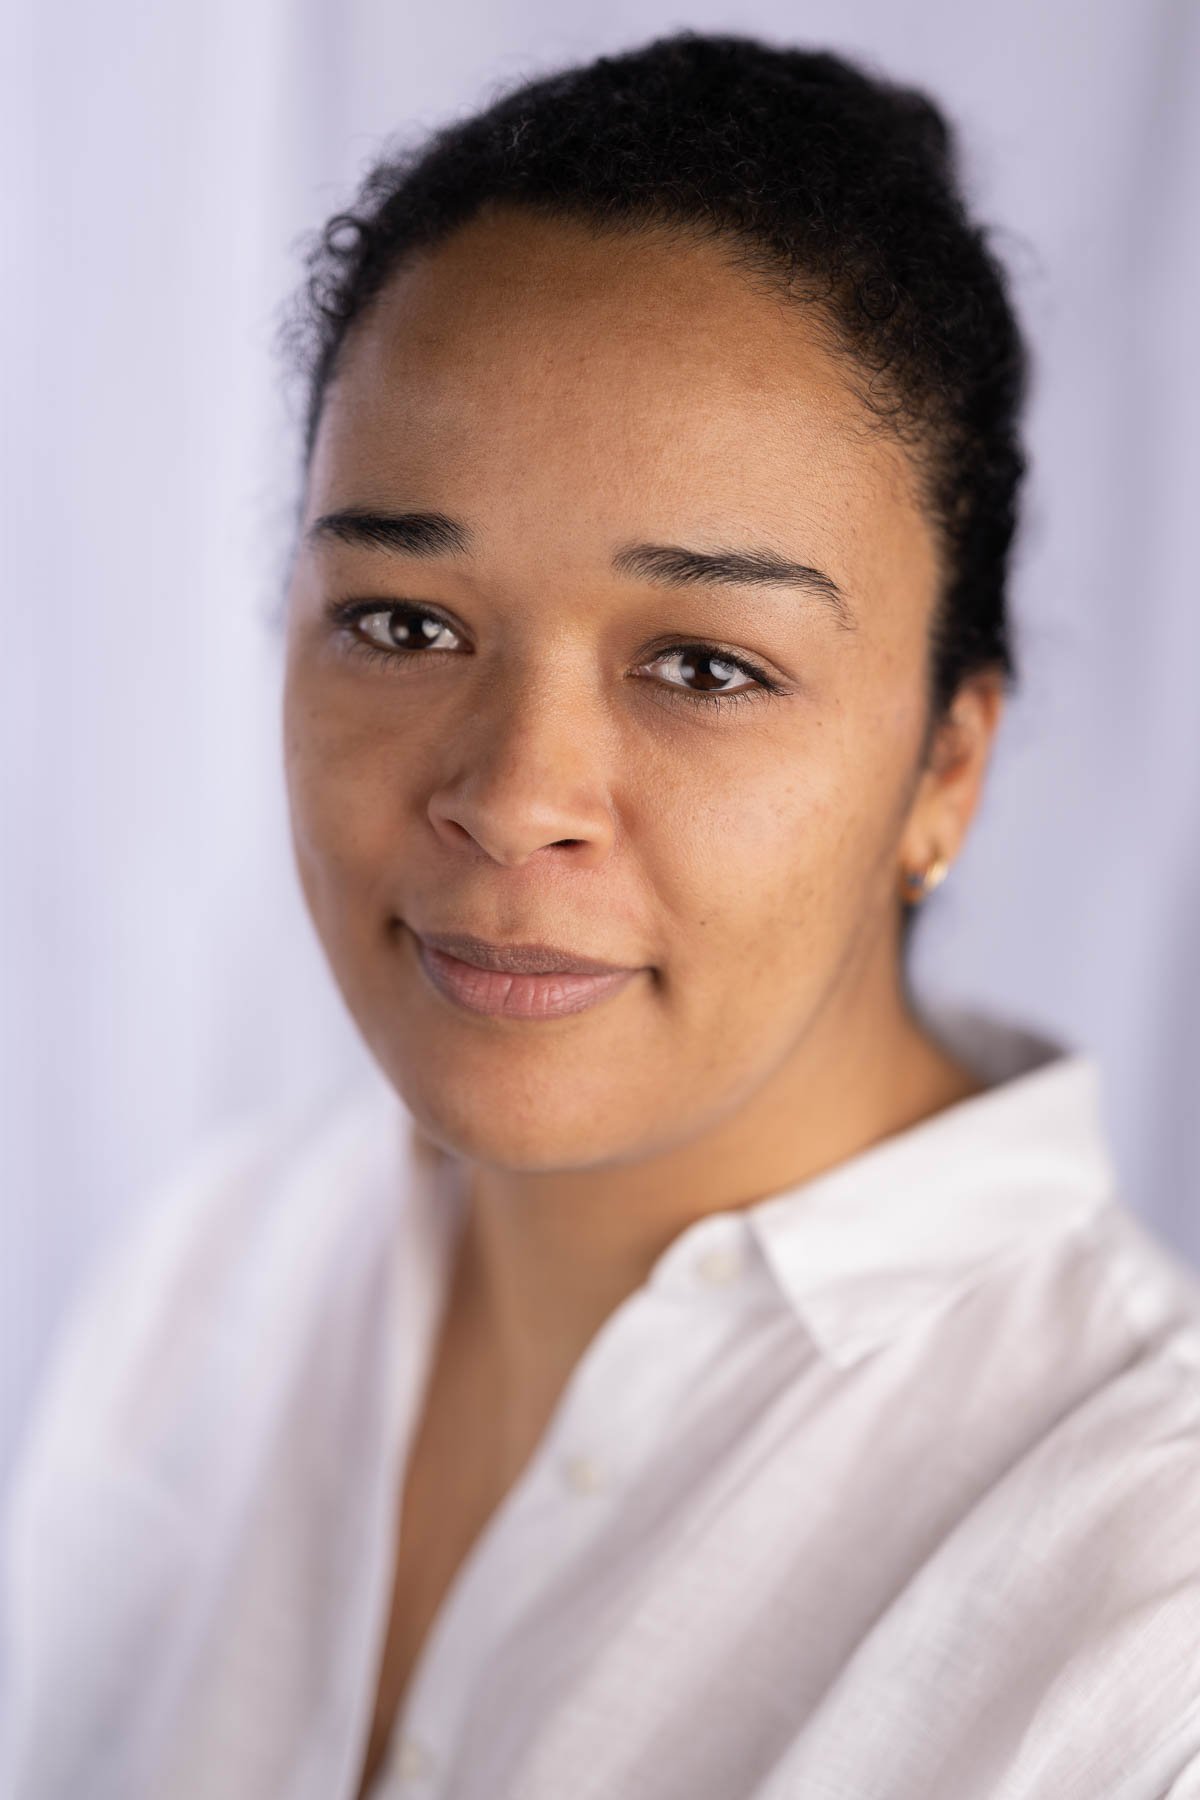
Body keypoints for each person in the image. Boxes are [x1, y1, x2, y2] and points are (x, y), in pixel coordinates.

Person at [4, 29, 1200, 1800]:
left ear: (947, 768)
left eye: (704, 664)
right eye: (404, 622)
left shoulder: (1143, 1618)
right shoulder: (214, 1277)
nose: (511, 795)